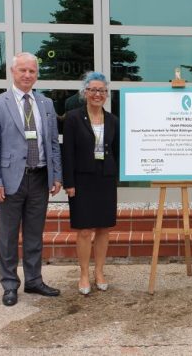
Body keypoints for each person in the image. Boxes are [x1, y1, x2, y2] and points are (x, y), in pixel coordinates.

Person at [0, 52, 63, 306]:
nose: (28, 75)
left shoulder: (46, 103)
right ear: (13, 72)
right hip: (10, 181)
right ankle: (9, 284)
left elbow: (52, 143)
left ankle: (34, 280)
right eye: (23, 71)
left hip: (39, 178)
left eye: (32, 71)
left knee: (34, 234)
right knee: (7, 235)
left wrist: (57, 175)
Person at [62, 71, 119, 295]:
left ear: (106, 95)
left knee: (104, 228)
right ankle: (84, 273)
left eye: (102, 91)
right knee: (84, 230)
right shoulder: (73, 118)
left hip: (105, 179)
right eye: (93, 90)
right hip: (81, 180)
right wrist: (69, 182)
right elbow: (67, 153)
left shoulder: (113, 120)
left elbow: (116, 150)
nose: (97, 94)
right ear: (85, 92)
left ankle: (100, 272)